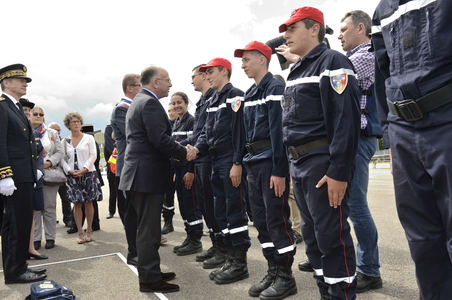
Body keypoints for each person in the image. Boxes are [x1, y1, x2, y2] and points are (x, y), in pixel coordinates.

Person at [279, 7, 361, 299]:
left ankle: (341, 295)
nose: (286, 35)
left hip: (321, 163)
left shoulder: (333, 61)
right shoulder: (298, 69)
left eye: (292, 28)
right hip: (299, 165)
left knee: (331, 237)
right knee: (312, 239)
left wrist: (338, 171)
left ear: (314, 29)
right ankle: (326, 292)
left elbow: (345, 121)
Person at [372, 1, 452, 298]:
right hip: (403, 129)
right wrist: (391, 138)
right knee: (422, 240)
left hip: (446, 117)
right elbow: (383, 75)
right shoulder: (383, 9)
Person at [118, 65, 195, 293]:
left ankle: (151, 271)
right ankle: (150, 280)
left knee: (145, 228)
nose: (170, 84)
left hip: (138, 175)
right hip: (146, 176)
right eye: (167, 80)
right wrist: (184, 152)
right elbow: (159, 139)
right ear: (155, 82)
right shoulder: (149, 103)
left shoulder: (139, 101)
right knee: (149, 231)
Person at [234, 41, 296, 299]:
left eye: (247, 59)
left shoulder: (275, 87)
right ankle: (272, 268)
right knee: (260, 220)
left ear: (262, 59)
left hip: (271, 161)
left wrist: (280, 170)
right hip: (253, 163)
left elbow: (279, 131)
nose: (243, 64)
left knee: (277, 220)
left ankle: (286, 276)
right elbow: (243, 132)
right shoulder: (249, 93)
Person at [192, 58, 251, 285]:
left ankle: (240, 262)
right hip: (216, 159)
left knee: (235, 209)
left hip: (229, 159)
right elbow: (207, 132)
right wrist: (196, 148)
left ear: (224, 72)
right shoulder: (213, 99)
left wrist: (237, 162)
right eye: (205, 73)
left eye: (211, 72)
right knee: (221, 211)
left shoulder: (234, 94)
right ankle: (229, 254)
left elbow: (239, 131)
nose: (207, 76)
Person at [337, 10, 383, 293]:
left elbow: (331, 78)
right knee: (347, 206)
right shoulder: (350, 57)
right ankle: (353, 263)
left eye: (344, 29)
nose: (340, 35)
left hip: (358, 140)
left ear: (361, 29)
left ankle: (370, 270)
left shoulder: (367, 54)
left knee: (356, 207)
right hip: (350, 140)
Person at [0, 63, 47, 284]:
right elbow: (0, 143)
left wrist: (34, 170)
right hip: (14, 176)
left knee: (22, 222)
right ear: (6, 83)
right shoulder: (1, 106)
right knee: (16, 224)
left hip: (25, 175)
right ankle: (14, 272)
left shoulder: (16, 107)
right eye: (20, 80)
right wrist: (4, 174)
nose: (24, 83)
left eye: (25, 80)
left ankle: (19, 266)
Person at [181, 64, 226, 269]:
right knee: (205, 206)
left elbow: (205, 134)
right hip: (199, 158)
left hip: (208, 157)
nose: (192, 81)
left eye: (194, 76)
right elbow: (197, 134)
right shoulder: (203, 102)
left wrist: (193, 148)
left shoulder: (214, 99)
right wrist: (180, 146)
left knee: (213, 205)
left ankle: (223, 247)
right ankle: (217, 244)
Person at [110, 73, 141, 266]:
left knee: (138, 212)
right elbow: (136, 134)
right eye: (139, 86)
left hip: (139, 168)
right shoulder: (122, 109)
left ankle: (141, 248)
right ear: (130, 88)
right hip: (128, 169)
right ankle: (134, 252)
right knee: (131, 213)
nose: (143, 89)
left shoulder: (133, 107)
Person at [60, 112, 102, 244]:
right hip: (72, 175)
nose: (76, 124)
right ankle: (80, 232)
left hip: (88, 174)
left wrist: (84, 169)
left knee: (89, 202)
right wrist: (70, 170)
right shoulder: (64, 141)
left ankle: (89, 230)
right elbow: (62, 159)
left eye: (78, 121)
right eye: (73, 122)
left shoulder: (88, 138)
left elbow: (93, 155)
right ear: (68, 125)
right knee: (76, 204)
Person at [170, 92, 204, 256]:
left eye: (179, 102)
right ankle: (189, 236)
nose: (176, 106)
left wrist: (191, 171)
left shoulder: (191, 121)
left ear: (186, 103)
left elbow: (193, 147)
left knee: (191, 204)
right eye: (174, 103)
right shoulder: (176, 123)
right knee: (183, 205)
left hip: (188, 169)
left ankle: (196, 239)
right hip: (179, 169)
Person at [30, 106, 64, 251]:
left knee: (49, 207)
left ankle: (50, 237)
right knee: (35, 209)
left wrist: (49, 162)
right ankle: (36, 238)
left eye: (41, 114)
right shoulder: (25, 131)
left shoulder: (51, 133)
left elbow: (59, 151)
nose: (38, 116)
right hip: (31, 174)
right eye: (35, 114)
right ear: (29, 115)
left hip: (49, 173)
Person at [20, 99, 48, 261]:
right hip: (16, 178)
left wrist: (38, 171)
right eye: (24, 110)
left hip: (34, 178)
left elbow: (39, 154)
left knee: (32, 214)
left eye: (28, 110)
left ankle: (30, 248)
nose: (27, 113)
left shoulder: (35, 133)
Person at [48, 122, 73, 228]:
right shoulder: (46, 141)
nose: (57, 132)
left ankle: (68, 218)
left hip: (62, 174)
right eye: (55, 130)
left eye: (58, 130)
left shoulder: (64, 142)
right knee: (50, 200)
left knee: (65, 198)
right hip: (48, 174)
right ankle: (51, 219)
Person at [161, 103, 177, 235]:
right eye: (169, 111)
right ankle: (168, 222)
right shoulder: (167, 126)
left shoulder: (187, 122)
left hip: (181, 166)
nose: (171, 113)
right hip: (169, 166)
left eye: (173, 111)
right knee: (167, 197)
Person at [104, 124, 117, 219]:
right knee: (113, 190)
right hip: (113, 163)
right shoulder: (109, 128)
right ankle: (111, 210)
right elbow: (108, 147)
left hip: (125, 165)